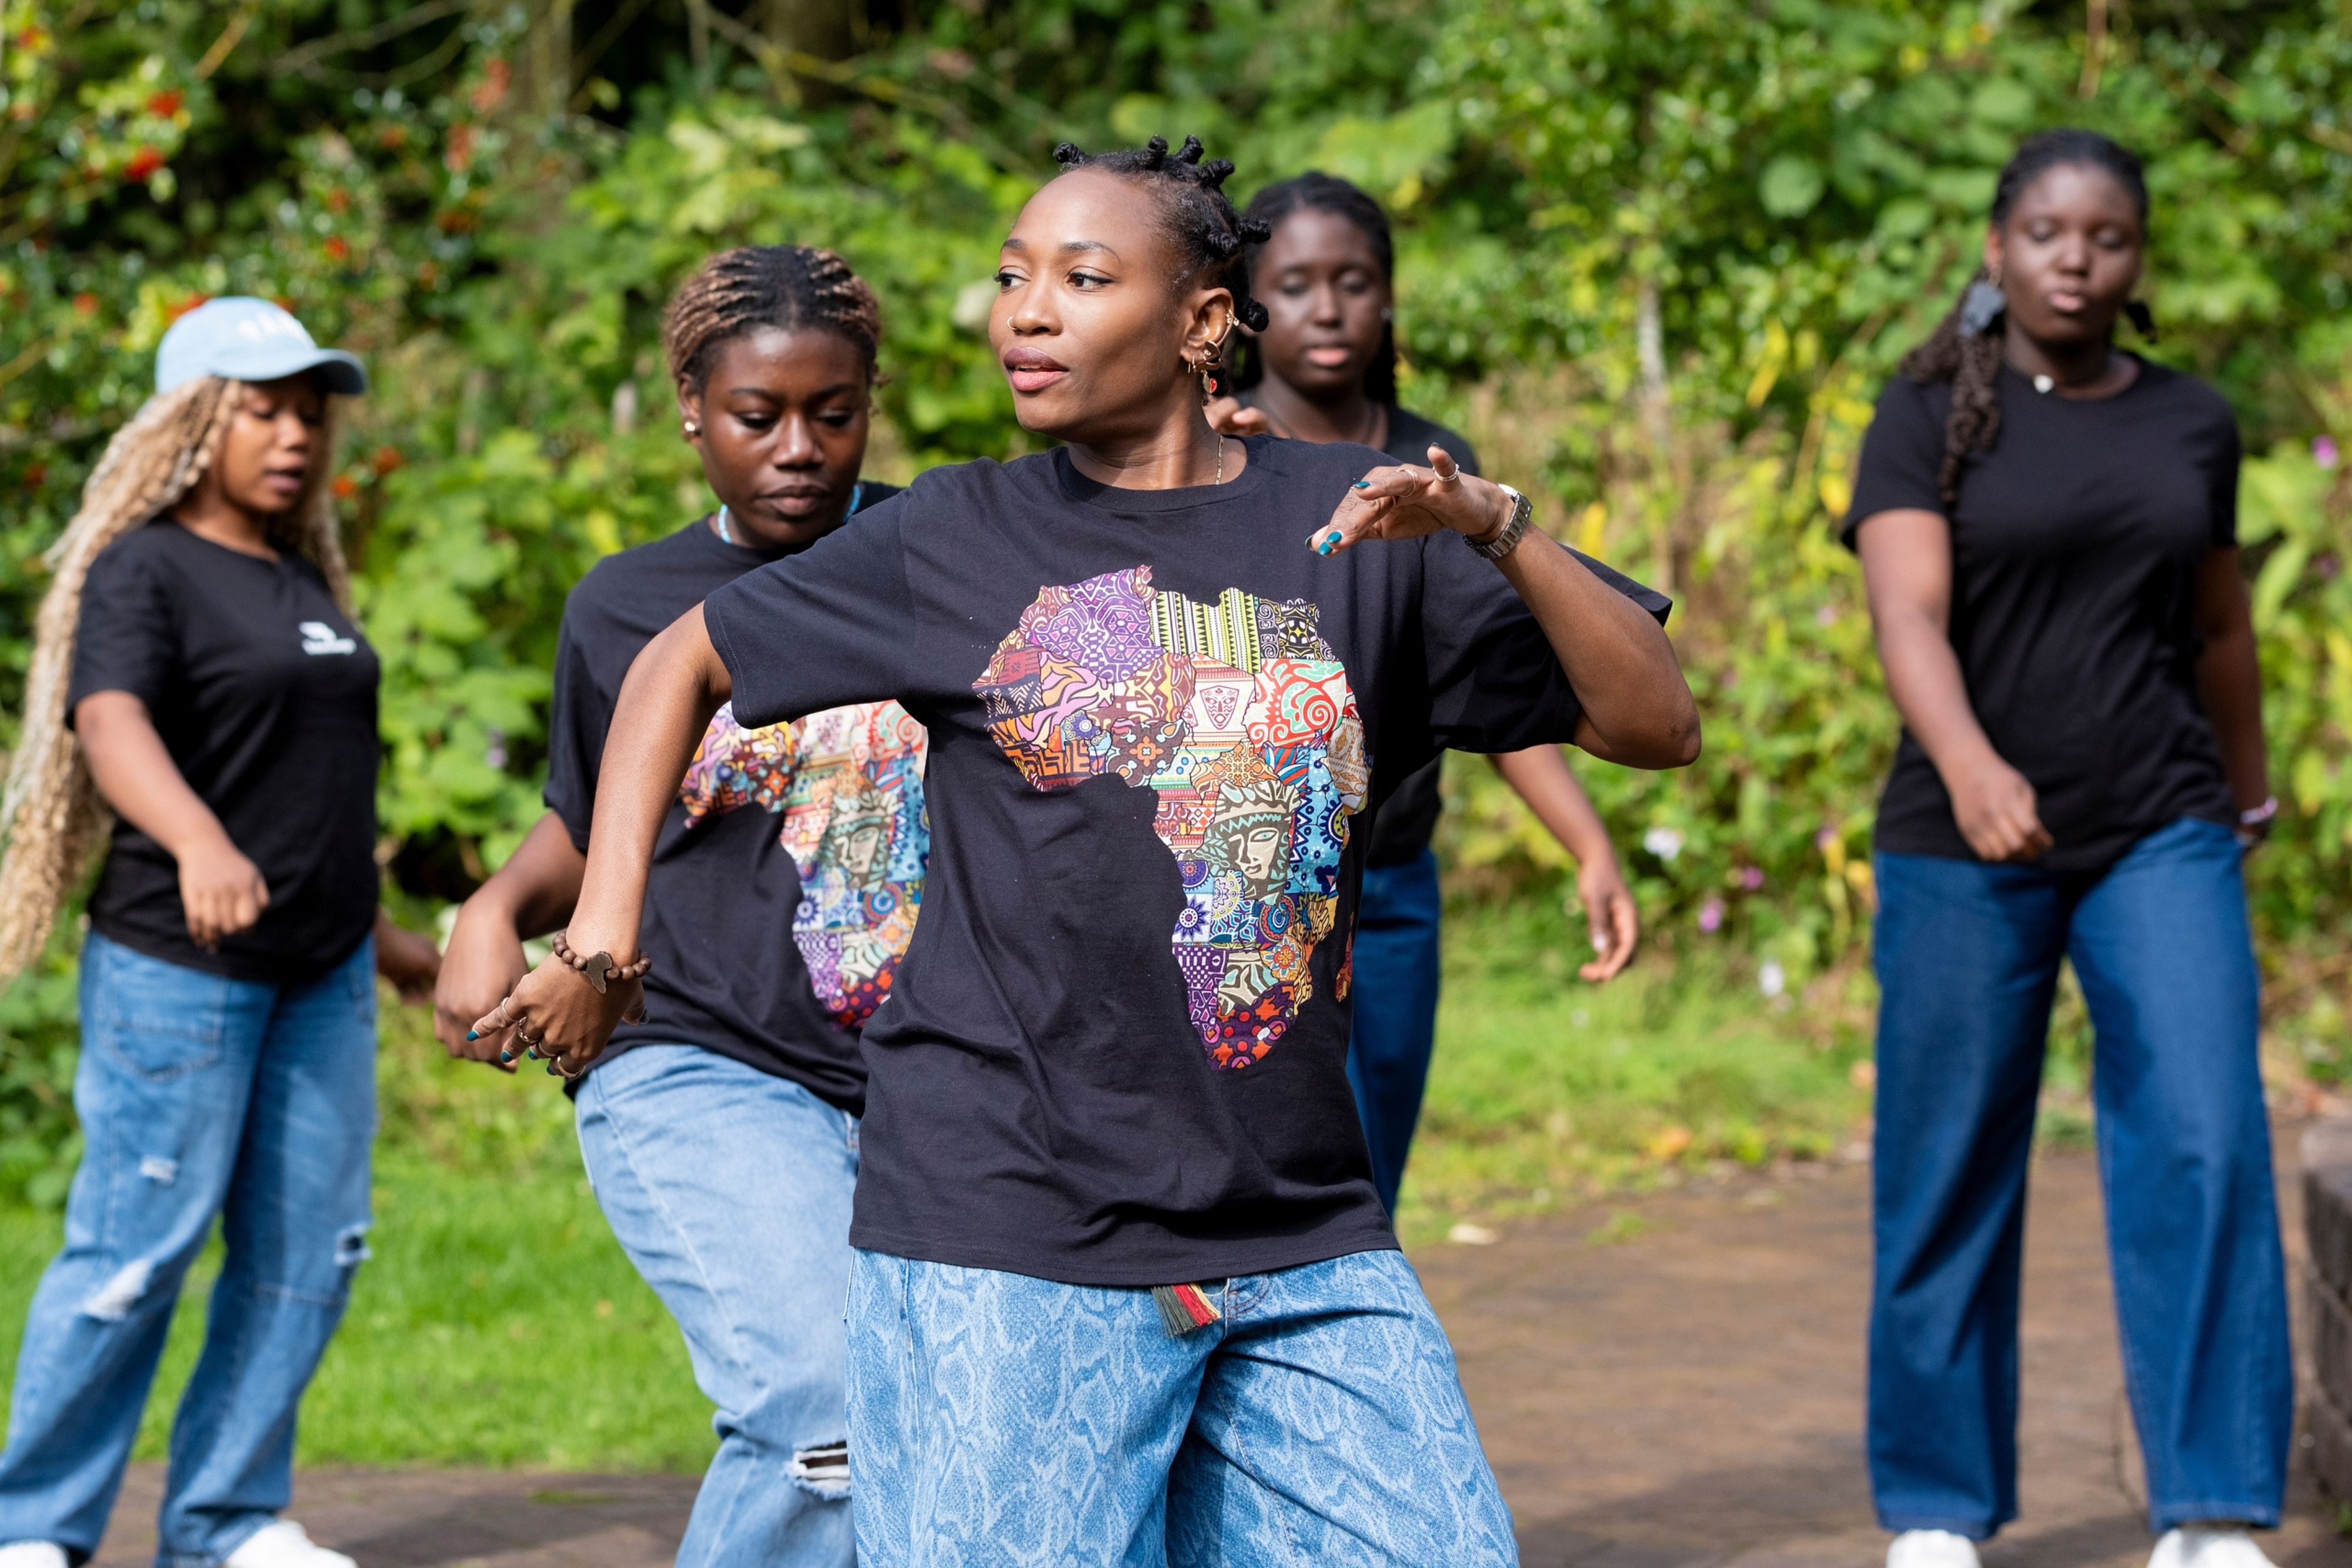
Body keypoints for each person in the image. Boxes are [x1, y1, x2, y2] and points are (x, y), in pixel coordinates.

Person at [473, 134, 1698, 1565]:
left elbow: (1652, 720)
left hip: (1293, 1223)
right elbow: (682, 658)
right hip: (1009, 1224)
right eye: (1011, 277)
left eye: (1080, 276)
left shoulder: (1358, 521)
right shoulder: (955, 533)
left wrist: (1496, 529)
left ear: (1200, 321)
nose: (1024, 312)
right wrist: (605, 936)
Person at [1845, 131, 2290, 1568]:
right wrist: (1971, 767)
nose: (2074, 260)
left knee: (2207, 1139)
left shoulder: (2189, 420)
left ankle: (2210, 1507)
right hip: (1959, 841)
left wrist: (2248, 782)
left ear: (2135, 258)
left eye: (2104, 237)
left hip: (2158, 824)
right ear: (1995, 249)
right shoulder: (1925, 413)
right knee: (1945, 1159)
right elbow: (1905, 613)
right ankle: (1933, 1508)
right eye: (2045, 233)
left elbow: (2219, 622)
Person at [430, 246, 908, 1568]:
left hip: (929, 1076)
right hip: (701, 1051)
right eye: (759, 416)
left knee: (937, 1430)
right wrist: (495, 901)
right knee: (822, 1411)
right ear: (691, 405)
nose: (799, 448)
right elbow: (595, 822)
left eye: (835, 412)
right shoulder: (621, 604)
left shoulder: (944, 559)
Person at [0, 299, 441, 1568]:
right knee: (135, 1247)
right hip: (175, 970)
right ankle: (35, 1526)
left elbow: (302, 787)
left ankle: (228, 1520)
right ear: (190, 420)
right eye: (261, 407)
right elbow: (110, 723)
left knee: (309, 1250)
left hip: (322, 977)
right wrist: (196, 841)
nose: (294, 434)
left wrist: (387, 937)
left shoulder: (303, 580)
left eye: (309, 410)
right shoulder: (142, 566)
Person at [1207, 170, 1639, 1215]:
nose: (1327, 306)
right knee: (1275, 1188)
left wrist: (1588, 844)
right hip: (1254, 886)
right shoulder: (1216, 444)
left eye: (1352, 280)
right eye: (1296, 283)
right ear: (1248, 305)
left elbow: (1488, 685)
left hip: (1392, 888)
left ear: (1389, 296)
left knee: (1370, 1191)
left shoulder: (1438, 467)